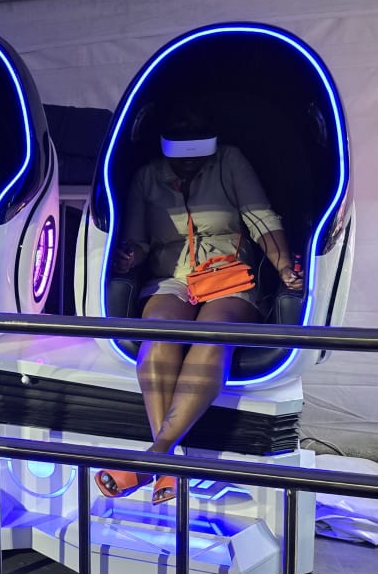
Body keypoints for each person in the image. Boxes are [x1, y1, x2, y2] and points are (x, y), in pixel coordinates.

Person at [95, 106, 304, 504]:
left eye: (197, 154)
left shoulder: (229, 161)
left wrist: (283, 266)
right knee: (158, 332)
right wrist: (129, 257)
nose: (189, 162)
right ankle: (166, 463)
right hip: (172, 275)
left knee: (210, 335)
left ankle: (156, 457)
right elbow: (138, 242)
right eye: (181, 155)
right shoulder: (147, 177)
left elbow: (260, 218)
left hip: (229, 273)